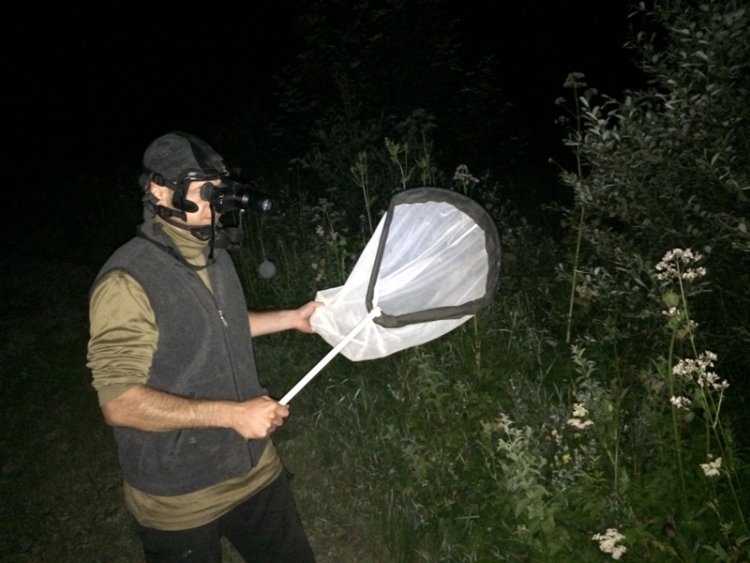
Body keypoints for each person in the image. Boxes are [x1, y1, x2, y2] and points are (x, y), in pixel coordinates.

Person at [87, 132, 318, 562]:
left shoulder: (212, 253)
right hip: (179, 495)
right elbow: (119, 402)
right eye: (205, 192)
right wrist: (232, 414)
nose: (217, 205)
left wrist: (291, 318)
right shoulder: (127, 280)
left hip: (252, 469)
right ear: (159, 191)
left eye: (221, 193)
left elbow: (216, 326)